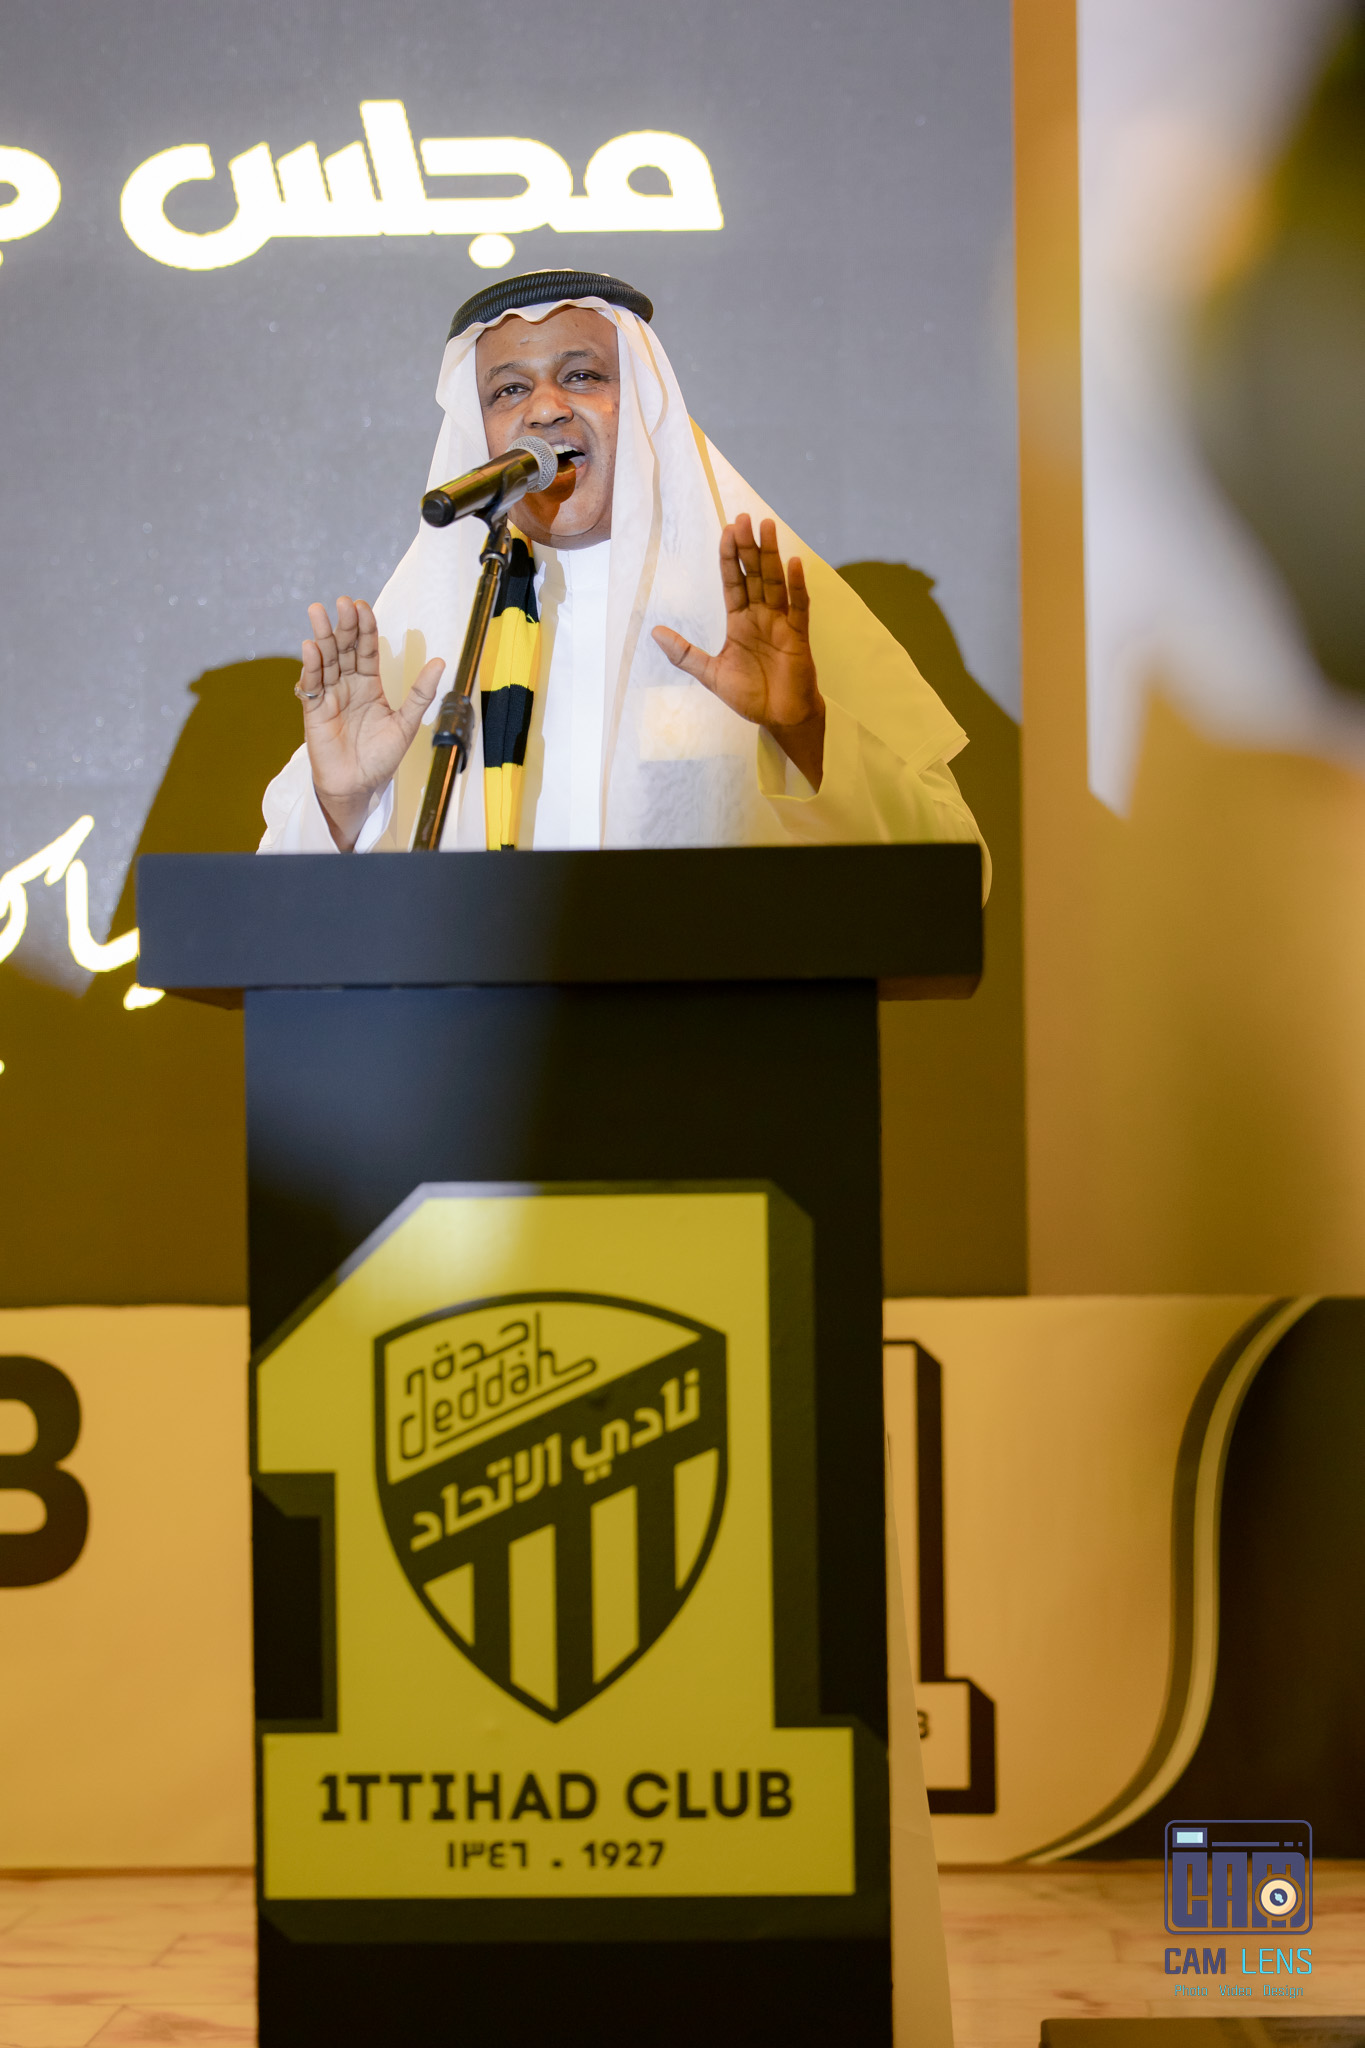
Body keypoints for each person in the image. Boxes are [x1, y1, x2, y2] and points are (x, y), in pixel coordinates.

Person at [259, 268, 988, 881]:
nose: (546, 410)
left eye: (581, 376)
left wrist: (802, 727)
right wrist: (342, 805)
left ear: (640, 406)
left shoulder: (762, 607)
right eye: (507, 391)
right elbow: (275, 923)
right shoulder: (424, 645)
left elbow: (954, 881)